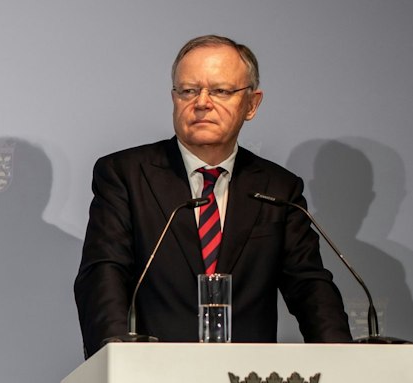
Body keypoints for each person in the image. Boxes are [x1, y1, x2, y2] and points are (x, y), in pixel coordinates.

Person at [74, 36, 350, 357]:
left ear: (252, 104)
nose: (202, 102)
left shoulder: (278, 189)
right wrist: (114, 358)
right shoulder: (126, 174)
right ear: (174, 97)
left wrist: (342, 360)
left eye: (220, 91)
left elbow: (309, 286)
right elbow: (104, 274)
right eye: (189, 90)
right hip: (151, 377)